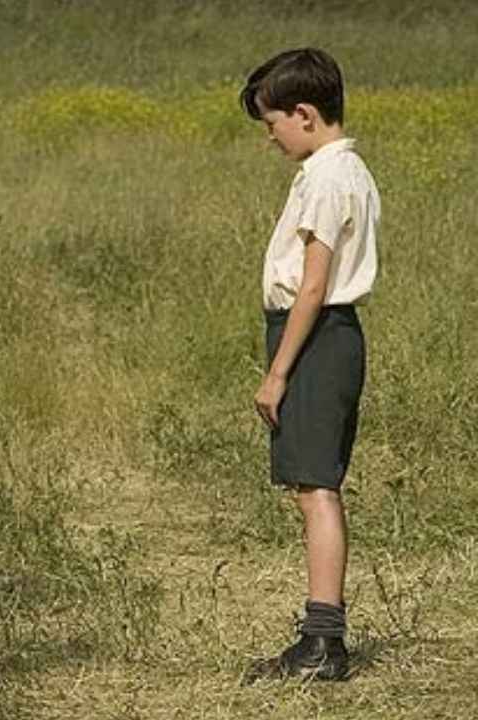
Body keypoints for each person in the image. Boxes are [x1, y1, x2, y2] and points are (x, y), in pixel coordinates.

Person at [239, 47, 379, 682]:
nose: (270, 137)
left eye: (272, 124)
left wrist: (277, 373)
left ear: (304, 112)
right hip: (322, 335)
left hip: (316, 334)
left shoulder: (327, 177)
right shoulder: (345, 171)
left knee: (315, 489)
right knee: (311, 485)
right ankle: (321, 637)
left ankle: (323, 641)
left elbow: (315, 286)